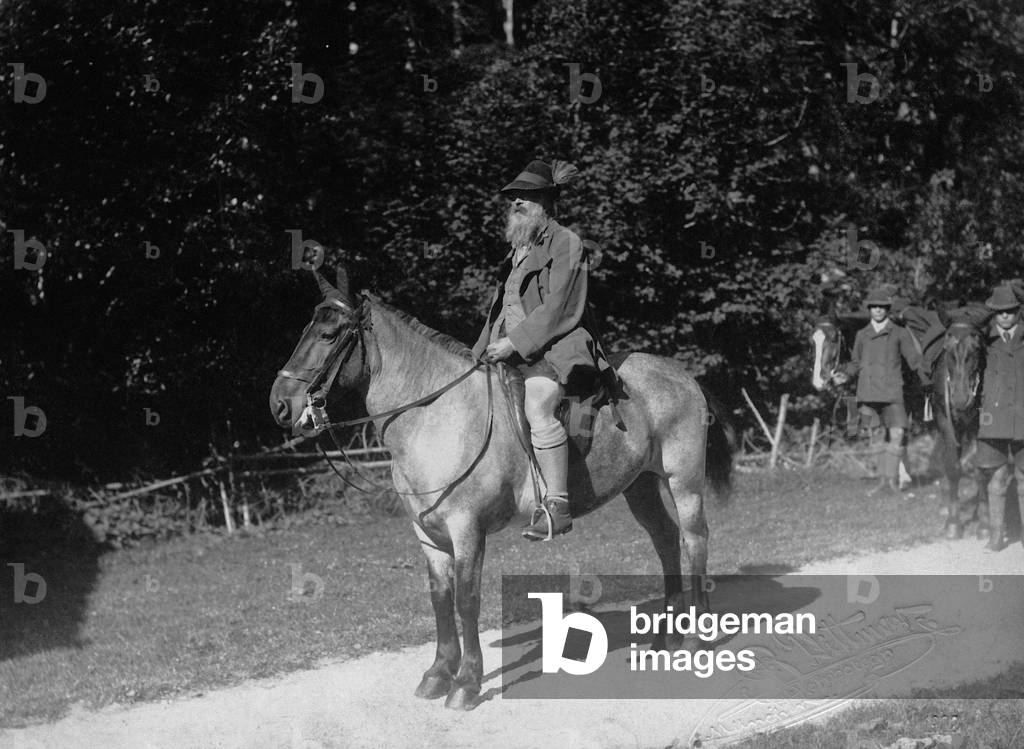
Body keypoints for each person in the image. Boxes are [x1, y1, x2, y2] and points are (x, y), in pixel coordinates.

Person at [471, 159, 611, 541]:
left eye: (526, 197)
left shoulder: (568, 242)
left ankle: (558, 505)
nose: (516, 203)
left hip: (557, 348)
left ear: (547, 202)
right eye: (513, 197)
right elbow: (501, 310)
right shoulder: (517, 250)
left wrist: (514, 343)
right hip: (507, 350)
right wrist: (477, 351)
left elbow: (561, 308)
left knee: (537, 405)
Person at [833, 287, 929, 495]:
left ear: (887, 309)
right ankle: (883, 482)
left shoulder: (899, 332)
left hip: (893, 392)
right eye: (874, 307)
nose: (877, 310)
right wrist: (845, 374)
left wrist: (928, 379)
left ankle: (891, 481)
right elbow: (855, 363)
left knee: (897, 433)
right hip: (868, 392)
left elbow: (914, 361)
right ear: (869, 309)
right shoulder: (862, 335)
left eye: (882, 307)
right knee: (877, 437)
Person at [976, 283, 1024, 552]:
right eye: (999, 312)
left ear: (1019, 311)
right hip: (993, 417)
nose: (1005, 316)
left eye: (1010, 311)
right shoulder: (984, 339)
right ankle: (996, 536)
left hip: (1022, 416)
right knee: (995, 476)